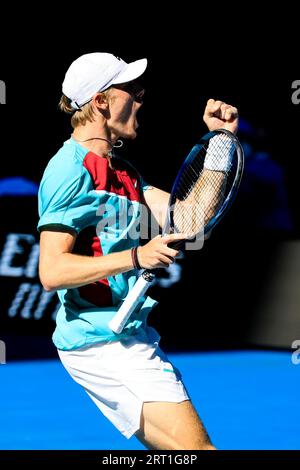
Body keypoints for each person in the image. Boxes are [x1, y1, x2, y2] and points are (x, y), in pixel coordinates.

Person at [38, 52, 238, 450]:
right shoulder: (69, 170)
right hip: (101, 341)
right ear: (100, 101)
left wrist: (221, 142)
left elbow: (190, 218)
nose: (141, 97)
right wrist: (136, 256)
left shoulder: (124, 171)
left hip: (131, 334)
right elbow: (52, 271)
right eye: (132, 90)